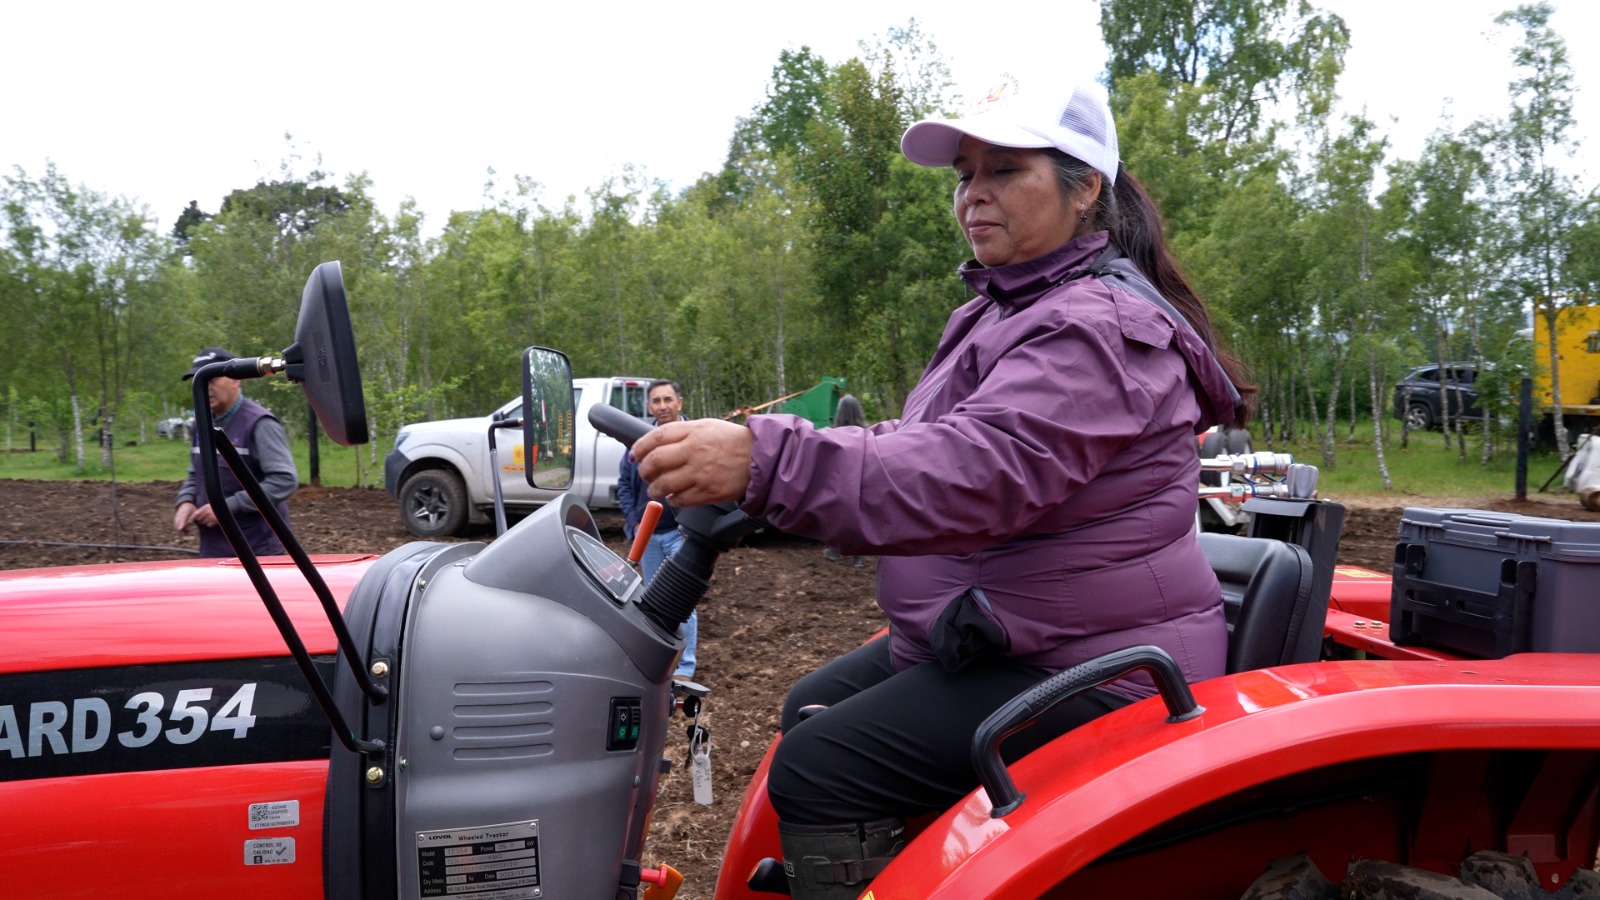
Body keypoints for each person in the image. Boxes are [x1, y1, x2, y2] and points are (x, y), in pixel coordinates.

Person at [631, 71, 1255, 898]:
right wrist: (765, 468)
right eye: (965, 174)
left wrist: (768, 462)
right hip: (1013, 634)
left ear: (1085, 190)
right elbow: (921, 439)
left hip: (1101, 670)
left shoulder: (1097, 329)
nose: (973, 195)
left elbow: (977, 471)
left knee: (819, 766)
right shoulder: (1003, 310)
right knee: (809, 705)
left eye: (1005, 170)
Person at [172, 347, 299, 558]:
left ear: (235, 380)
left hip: (257, 551)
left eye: (212, 379)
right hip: (212, 549)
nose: (205, 387)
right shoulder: (200, 424)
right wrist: (186, 500)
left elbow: (284, 480)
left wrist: (226, 507)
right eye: (199, 380)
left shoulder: (259, 423)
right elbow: (197, 473)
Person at [617, 378, 699, 678]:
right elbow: (625, 486)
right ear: (649, 406)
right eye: (656, 401)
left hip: (683, 534)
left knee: (682, 600)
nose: (662, 406)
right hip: (649, 535)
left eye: (667, 399)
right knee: (655, 601)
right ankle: (662, 663)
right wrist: (633, 521)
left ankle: (684, 668)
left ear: (679, 402)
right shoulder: (639, 442)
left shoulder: (696, 438)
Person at [821, 395, 868, 567]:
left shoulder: (831, 433)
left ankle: (835, 550)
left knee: (837, 517)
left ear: (839, 412)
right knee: (859, 519)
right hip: (862, 483)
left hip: (839, 485)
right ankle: (858, 557)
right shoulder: (867, 433)